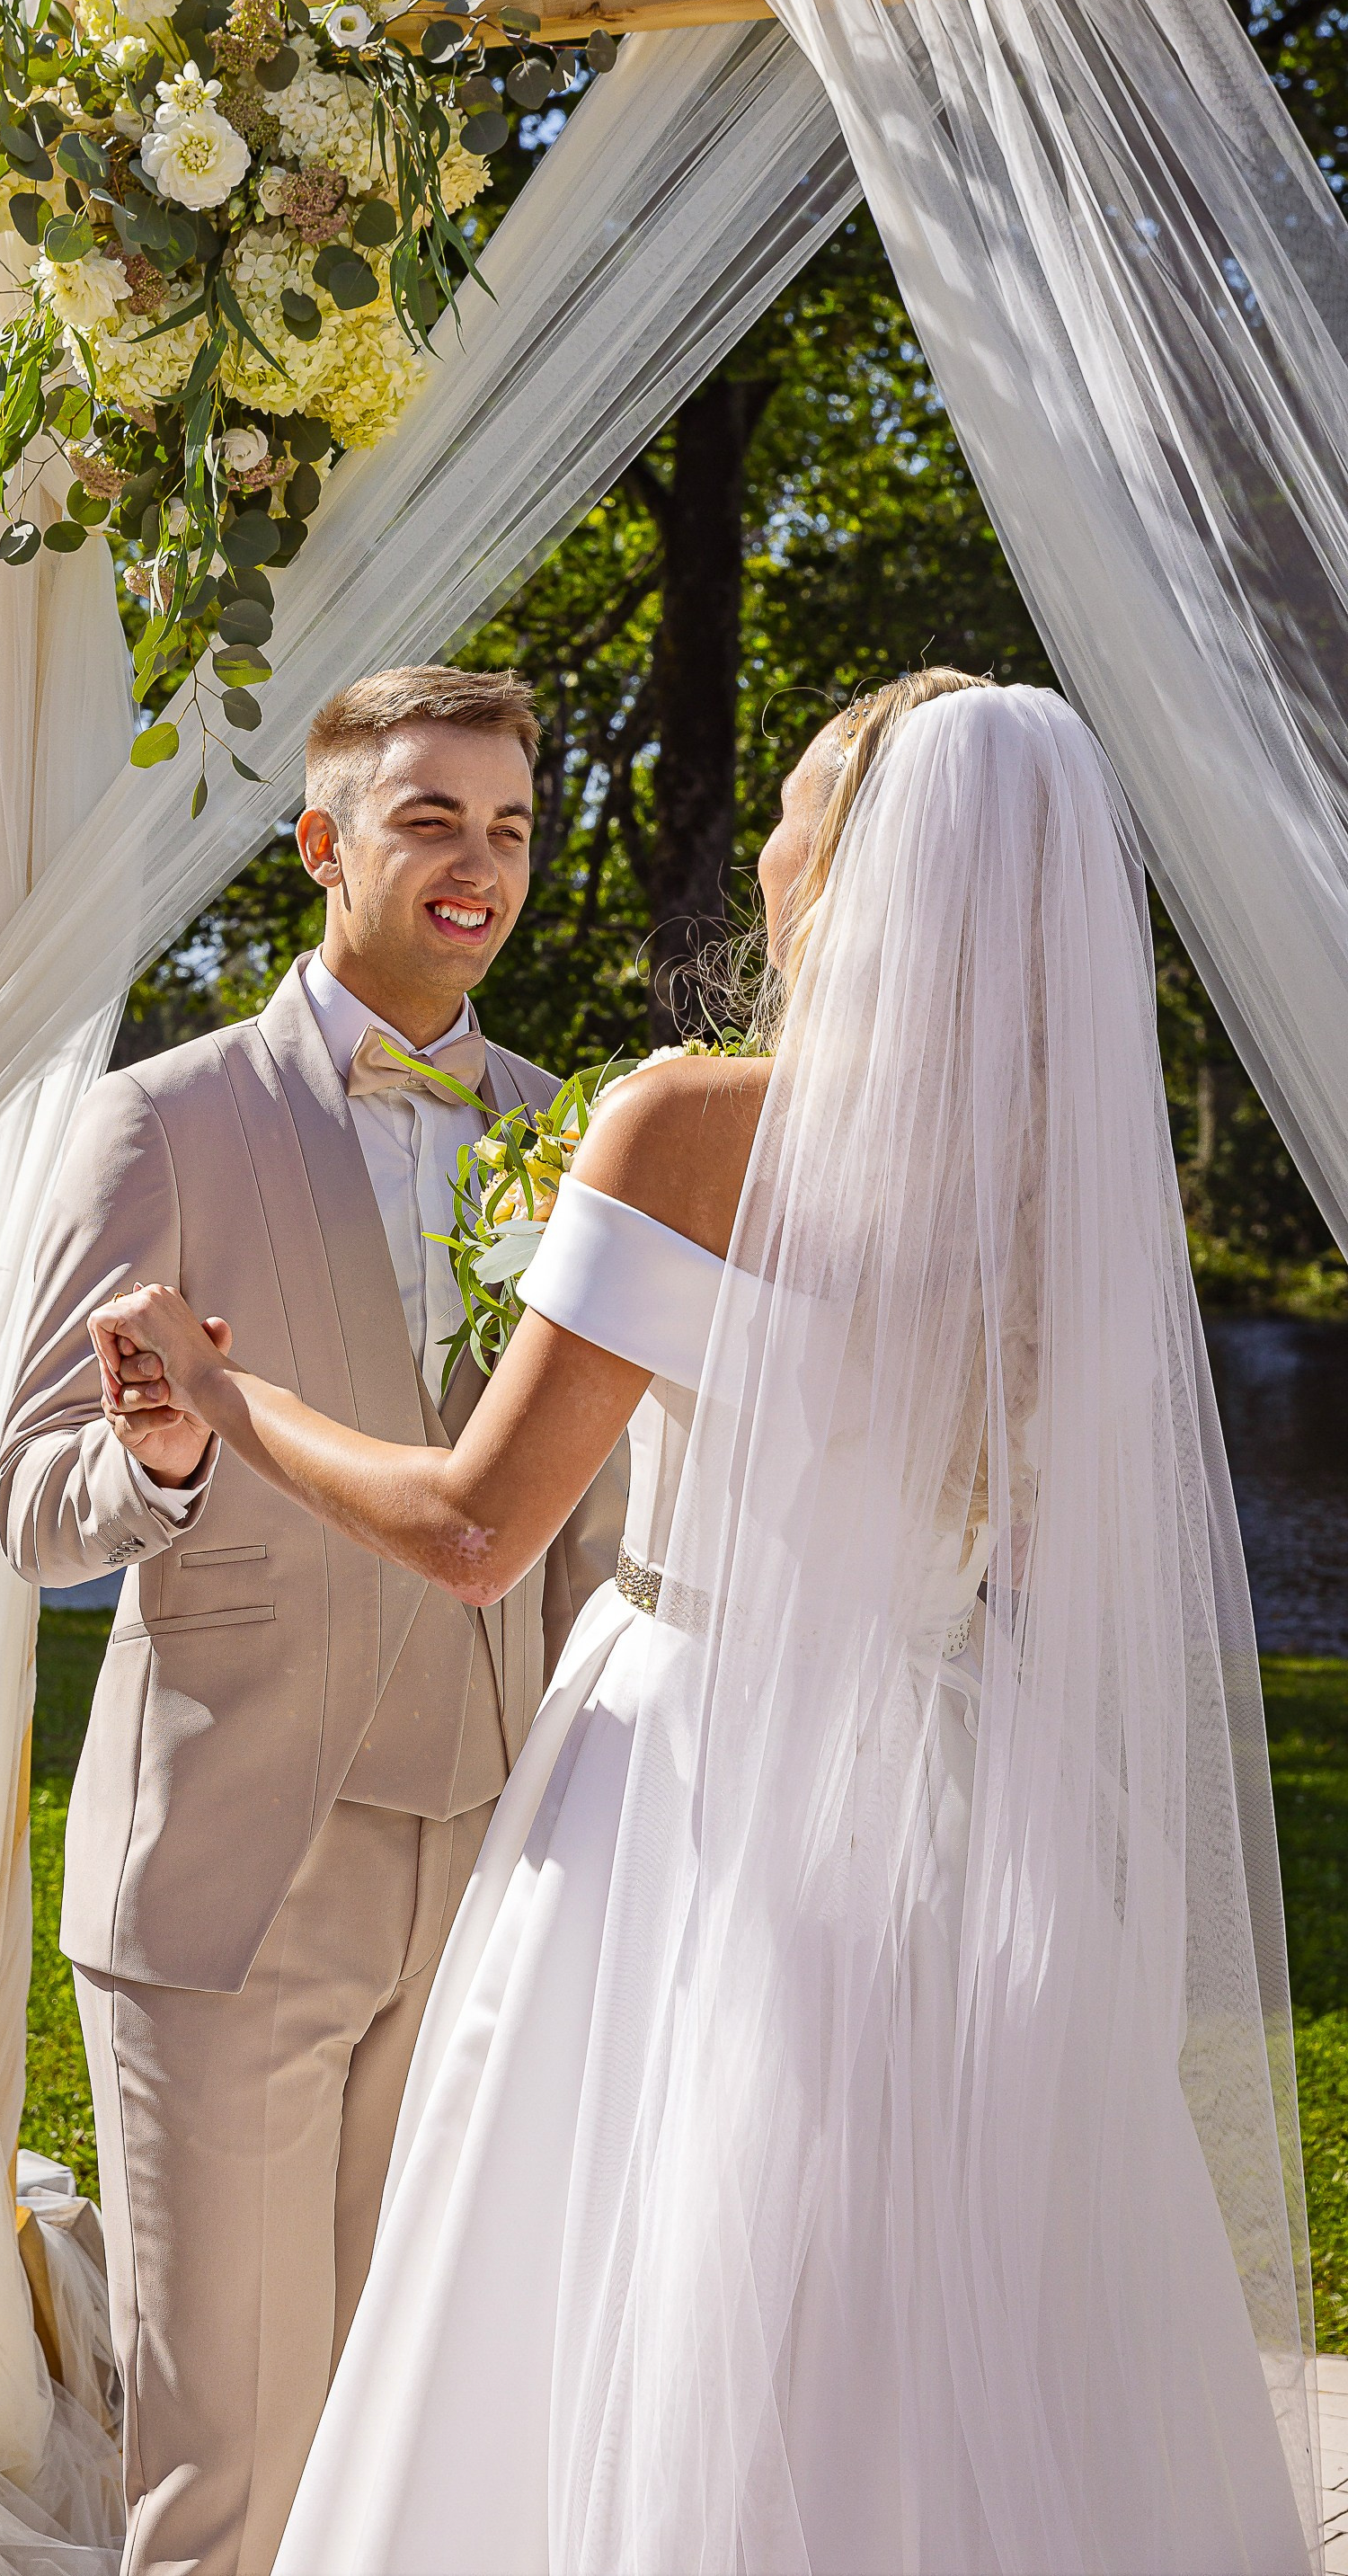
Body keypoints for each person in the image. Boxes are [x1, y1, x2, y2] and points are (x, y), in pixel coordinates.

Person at [96, 673, 1318, 2576]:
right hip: (951, 1795)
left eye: (793, 800)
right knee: (927, 2322)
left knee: (639, 2299)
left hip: (688, 1779)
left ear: (847, 867)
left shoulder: (684, 1124)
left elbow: (476, 1525)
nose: (757, 840)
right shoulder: (1066, 1185)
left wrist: (214, 1389)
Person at [0, 666, 615, 2576]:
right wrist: (163, 1461)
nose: (478, 863)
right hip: (233, 1873)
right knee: (231, 2456)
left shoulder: (571, 1128)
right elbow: (30, 1506)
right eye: (429, 817)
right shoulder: (157, 1122)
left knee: (408, 2423)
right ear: (323, 844)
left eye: (508, 824)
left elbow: (569, 1509)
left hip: (491, 1854)